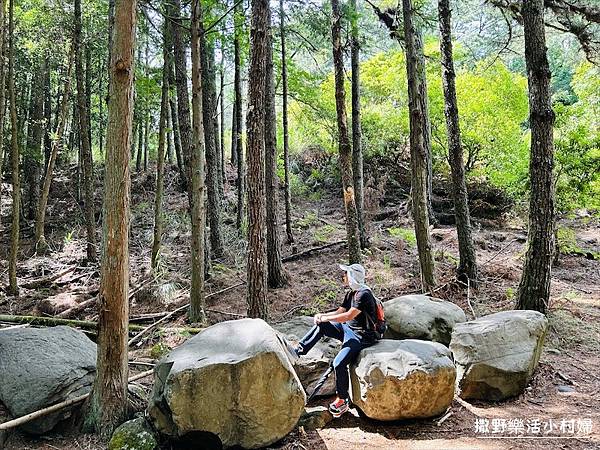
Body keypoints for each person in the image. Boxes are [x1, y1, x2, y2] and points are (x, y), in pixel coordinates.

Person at [294, 263, 378, 417]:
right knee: (322, 325)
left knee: (339, 363)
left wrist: (326, 317)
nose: (343, 277)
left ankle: (343, 400)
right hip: (348, 330)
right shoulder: (351, 294)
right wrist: (322, 316)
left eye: (345, 274)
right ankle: (299, 350)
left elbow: (348, 316)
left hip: (362, 336)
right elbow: (340, 312)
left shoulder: (364, 294)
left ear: (353, 276)